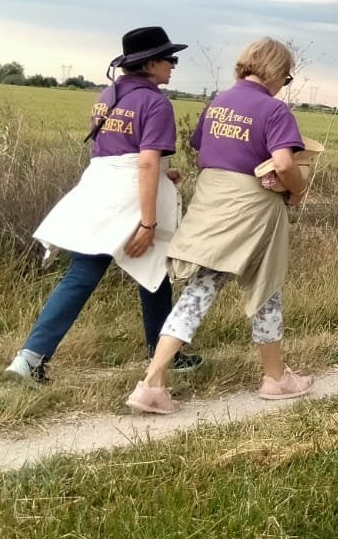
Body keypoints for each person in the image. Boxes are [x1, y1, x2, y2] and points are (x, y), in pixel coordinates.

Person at [128, 37, 311, 414]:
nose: (283, 84)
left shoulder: (218, 104)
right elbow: (284, 164)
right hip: (252, 211)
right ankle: (273, 380)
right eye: (286, 77)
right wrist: (296, 190)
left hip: (211, 204)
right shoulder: (273, 110)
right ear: (275, 71)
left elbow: (203, 153)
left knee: (200, 289)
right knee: (266, 286)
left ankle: (154, 381)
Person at [9, 26, 193, 384]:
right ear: (150, 63)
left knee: (81, 275)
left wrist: (162, 177)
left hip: (98, 190)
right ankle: (164, 354)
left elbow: (116, 153)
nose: (173, 65)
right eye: (169, 58)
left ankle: (30, 357)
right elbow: (145, 162)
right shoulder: (156, 103)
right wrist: (148, 223)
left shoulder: (107, 95)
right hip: (132, 198)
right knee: (155, 273)